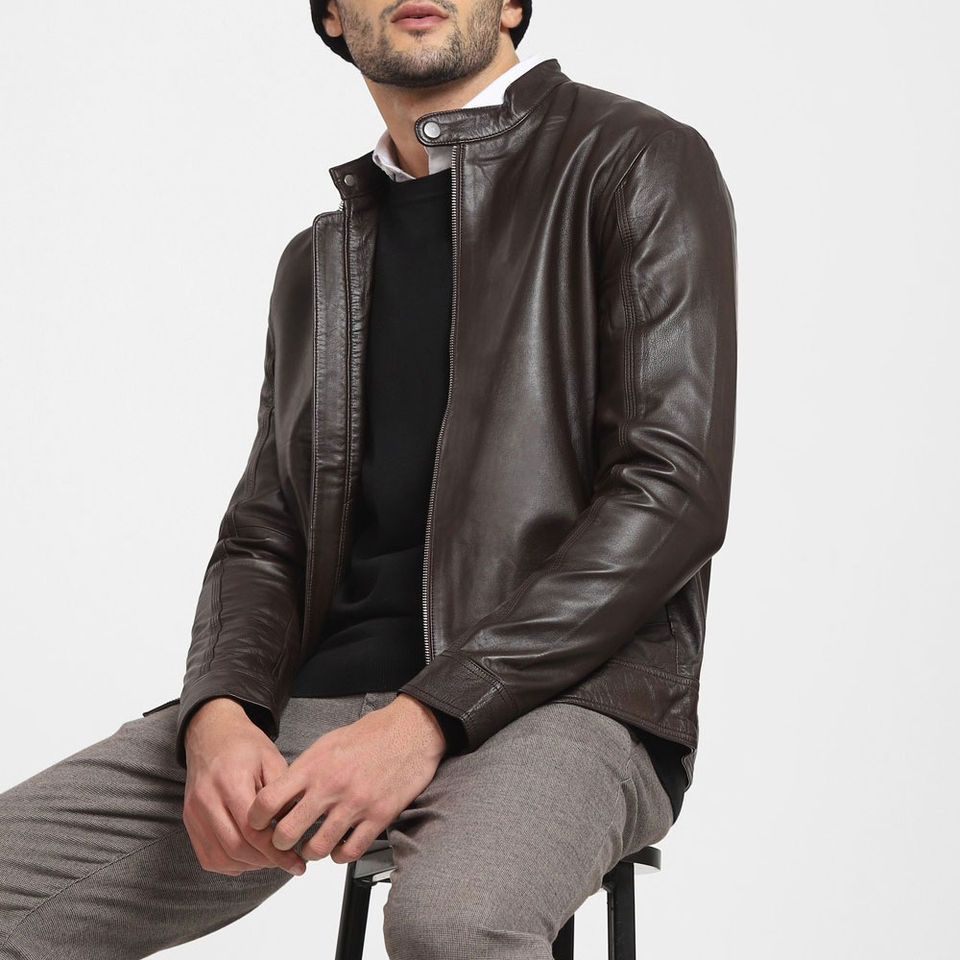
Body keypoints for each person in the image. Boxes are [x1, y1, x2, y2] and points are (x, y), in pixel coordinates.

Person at [0, 2, 737, 957]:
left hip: (565, 699)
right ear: (333, 16)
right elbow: (266, 531)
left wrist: (428, 715)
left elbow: (670, 491)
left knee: (451, 924)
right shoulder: (317, 263)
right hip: (312, 706)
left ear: (512, 3)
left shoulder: (633, 160)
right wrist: (219, 709)